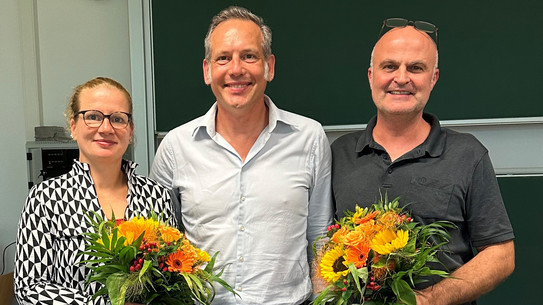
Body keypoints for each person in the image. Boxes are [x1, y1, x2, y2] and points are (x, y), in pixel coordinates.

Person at [150, 6, 333, 305]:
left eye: (249, 56)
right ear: (207, 70)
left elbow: (320, 237)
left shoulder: (310, 138)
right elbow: (160, 244)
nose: (236, 69)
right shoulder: (175, 146)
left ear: (269, 66)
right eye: (223, 58)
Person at [331, 19, 515, 305]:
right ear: (371, 76)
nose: (401, 78)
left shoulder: (467, 154)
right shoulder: (338, 153)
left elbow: (501, 255)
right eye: (389, 66)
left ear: (433, 78)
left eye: (416, 68)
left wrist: (428, 299)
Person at [14, 77, 178, 305]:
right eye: (93, 117)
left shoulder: (157, 196)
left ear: (129, 131)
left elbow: (172, 277)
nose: (106, 128)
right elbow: (29, 288)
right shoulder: (46, 199)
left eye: (118, 119)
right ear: (73, 126)